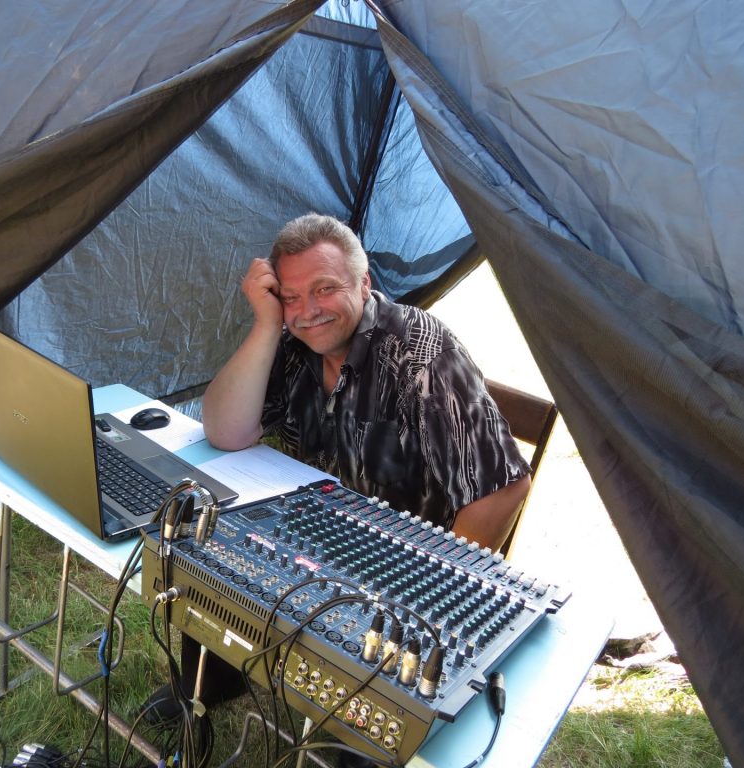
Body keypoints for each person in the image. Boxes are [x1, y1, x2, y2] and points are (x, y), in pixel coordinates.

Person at [203, 213, 530, 547]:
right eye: (291, 297)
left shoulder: (421, 354)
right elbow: (227, 433)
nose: (309, 311)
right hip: (313, 540)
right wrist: (267, 324)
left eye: (325, 288)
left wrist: (432, 574)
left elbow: (502, 488)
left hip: (399, 558)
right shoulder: (293, 343)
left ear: (364, 283)